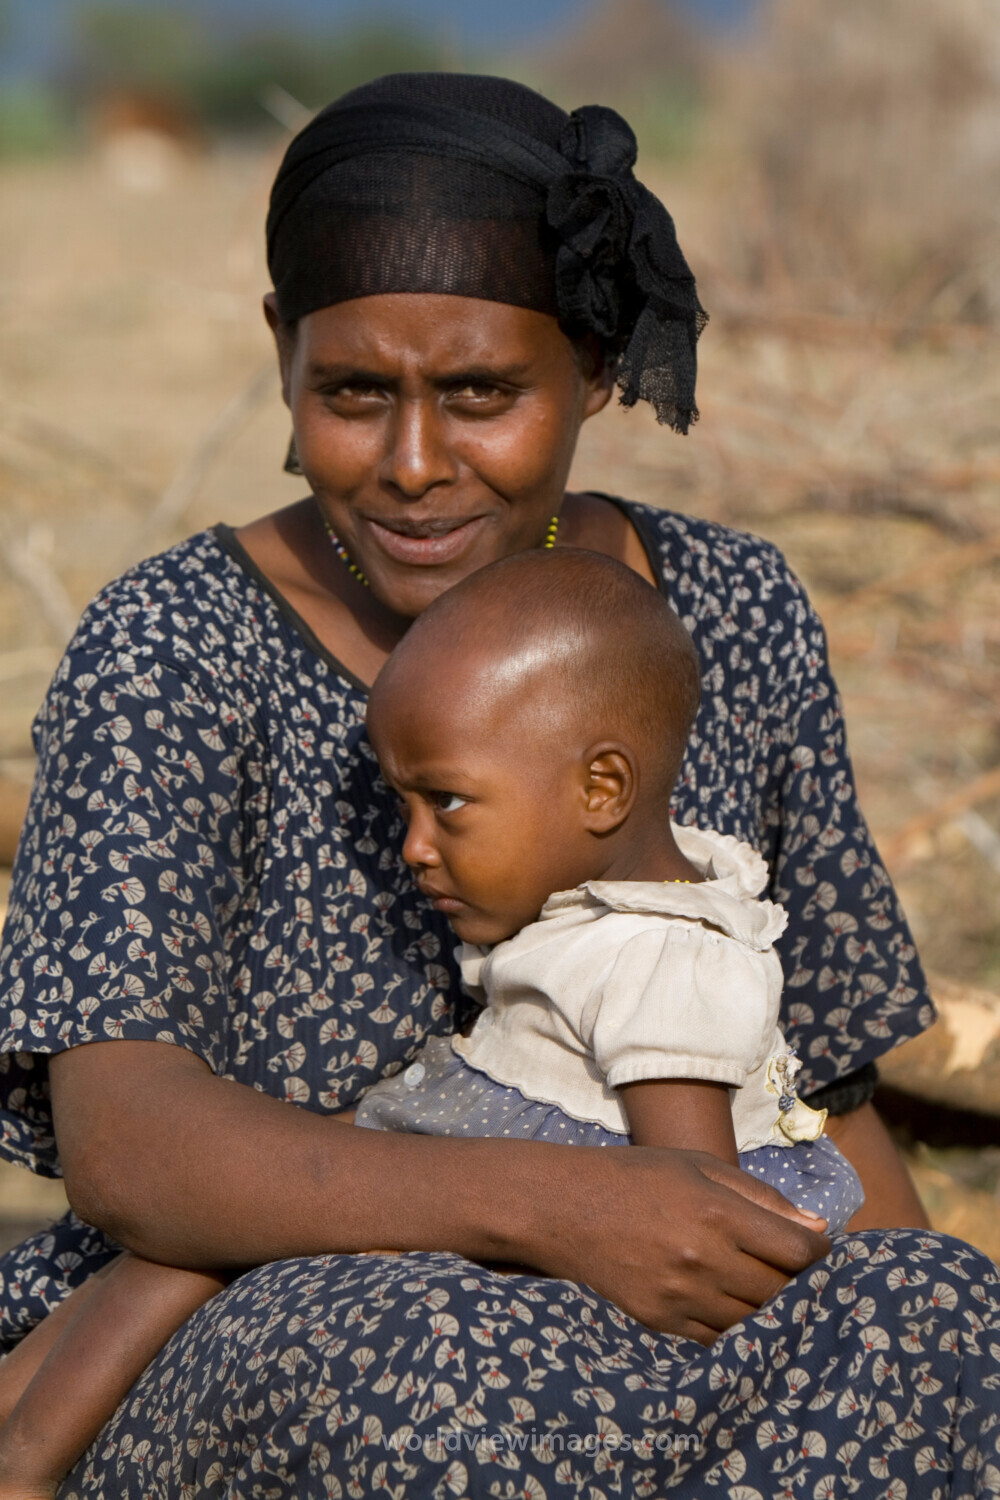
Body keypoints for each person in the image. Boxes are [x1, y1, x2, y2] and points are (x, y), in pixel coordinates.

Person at [0, 70, 995, 1498]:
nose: (414, 464)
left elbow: (823, 1085)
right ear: (280, 353)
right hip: (295, 1321)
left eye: (480, 394)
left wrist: (924, 1334)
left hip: (673, 1285)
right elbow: (125, 1140)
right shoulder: (177, 644)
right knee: (442, 1369)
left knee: (937, 1327)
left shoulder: (729, 614)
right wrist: (553, 1206)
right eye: (354, 393)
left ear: (592, 366)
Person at [0, 549, 868, 1497]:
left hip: (531, 1203)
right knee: (200, 1231)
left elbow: (691, 1204)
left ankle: (26, 1449)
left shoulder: (670, 954)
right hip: (476, 1153)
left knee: (199, 1252)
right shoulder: (611, 904)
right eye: (402, 804)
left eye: (445, 803)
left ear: (603, 790)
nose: (413, 847)